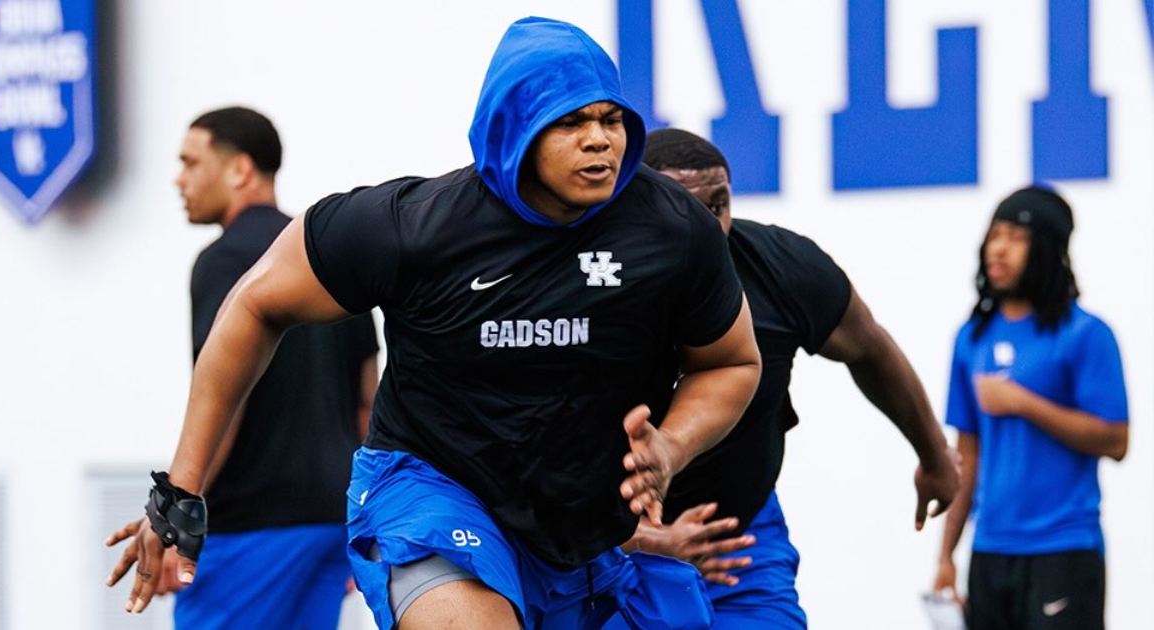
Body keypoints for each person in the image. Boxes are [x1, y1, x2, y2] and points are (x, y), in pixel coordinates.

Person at [107, 18, 762, 630]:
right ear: (515, 129)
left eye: (610, 119)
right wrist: (181, 493)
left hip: (579, 524)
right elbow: (256, 304)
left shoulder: (671, 228)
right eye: (571, 123)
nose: (600, 139)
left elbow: (731, 362)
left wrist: (672, 447)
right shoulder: (412, 226)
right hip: (430, 490)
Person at [601, 128, 960, 629]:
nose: (709, 226)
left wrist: (934, 455)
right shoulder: (586, 286)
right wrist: (642, 541)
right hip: (606, 553)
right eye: (685, 207)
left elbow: (870, 347)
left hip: (740, 541)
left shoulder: (780, 267)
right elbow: (528, 463)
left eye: (718, 204)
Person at [105, 106, 380, 630]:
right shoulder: (332, 259)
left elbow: (222, 403)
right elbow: (369, 405)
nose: (178, 178)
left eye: (190, 162)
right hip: (329, 523)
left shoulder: (227, 262)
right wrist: (366, 524)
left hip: (252, 530)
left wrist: (175, 519)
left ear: (241, 170)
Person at [933, 186, 1128, 630]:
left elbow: (1116, 440)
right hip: (990, 550)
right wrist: (946, 556)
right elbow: (966, 456)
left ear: (1047, 249)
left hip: (1063, 548)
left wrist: (1023, 403)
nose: (999, 248)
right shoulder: (972, 338)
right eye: (994, 234)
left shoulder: (1086, 334)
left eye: (1016, 237)